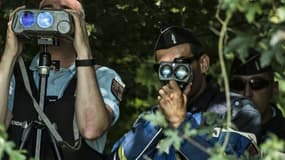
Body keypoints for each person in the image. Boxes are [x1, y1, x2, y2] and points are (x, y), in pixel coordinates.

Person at [109, 25, 261, 160]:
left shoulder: (236, 110)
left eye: (180, 66)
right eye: (165, 69)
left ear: (203, 64)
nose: (173, 76)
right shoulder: (151, 118)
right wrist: (158, 121)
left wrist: (180, 124)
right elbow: (119, 157)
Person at [0, 0, 125, 159]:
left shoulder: (102, 76)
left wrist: (83, 51)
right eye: (47, 9)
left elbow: (91, 128)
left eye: (65, 10)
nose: (53, 16)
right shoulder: (16, 75)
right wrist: (9, 55)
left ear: (81, 23)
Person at [229, 49, 285, 144]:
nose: (247, 93)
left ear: (274, 89)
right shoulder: (218, 129)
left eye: (256, 84)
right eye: (238, 84)